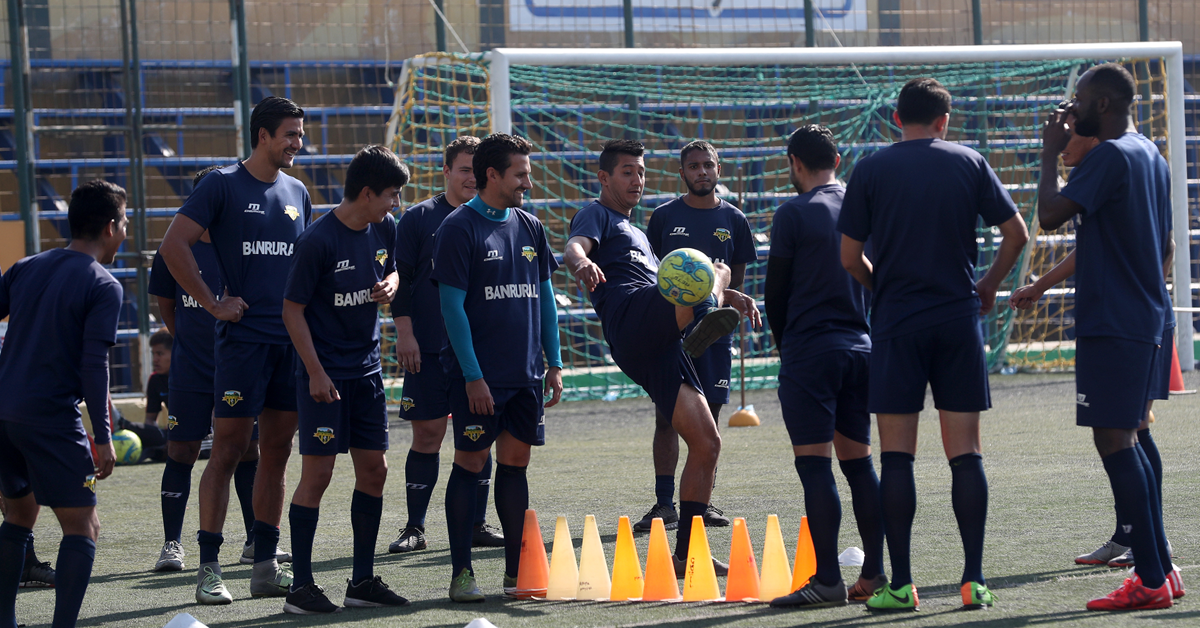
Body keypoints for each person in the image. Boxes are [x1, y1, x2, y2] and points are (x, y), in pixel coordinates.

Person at [838, 77, 1029, 611]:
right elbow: (1018, 233)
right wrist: (988, 285)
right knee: (965, 452)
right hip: (957, 319)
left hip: (898, 323)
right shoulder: (968, 160)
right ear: (944, 121)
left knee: (897, 455)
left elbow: (850, 259)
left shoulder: (871, 168)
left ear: (897, 119)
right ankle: (972, 581)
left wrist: (886, 290)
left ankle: (901, 585)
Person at [564, 139, 759, 578]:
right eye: (627, 172)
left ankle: (686, 554)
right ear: (604, 178)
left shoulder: (640, 236)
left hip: (661, 343)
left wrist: (733, 297)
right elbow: (574, 247)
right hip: (632, 316)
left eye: (641, 172)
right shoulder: (597, 214)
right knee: (715, 266)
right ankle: (707, 312)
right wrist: (581, 264)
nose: (636, 180)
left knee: (708, 444)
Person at [1037, 63, 1182, 610]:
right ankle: (1161, 570)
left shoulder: (1111, 154)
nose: (1069, 113)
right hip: (1147, 317)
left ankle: (1149, 578)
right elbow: (1165, 248)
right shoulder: (1150, 153)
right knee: (1137, 436)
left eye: (1076, 102)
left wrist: (1050, 151)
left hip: (1114, 322)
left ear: (1100, 105)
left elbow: (1049, 215)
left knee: (1115, 441)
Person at [159, 96, 312, 603]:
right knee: (226, 450)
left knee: (277, 453)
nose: (298, 142)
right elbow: (173, 245)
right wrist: (211, 303)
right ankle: (208, 568)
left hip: (287, 344)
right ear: (263, 135)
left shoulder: (298, 191)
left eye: (301, 133)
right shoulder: (221, 184)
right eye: (290, 134)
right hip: (243, 343)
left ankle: (265, 565)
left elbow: (302, 271)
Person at [431, 133, 563, 602]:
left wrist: (555, 362)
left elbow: (545, 297)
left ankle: (514, 574)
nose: (528, 181)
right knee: (469, 463)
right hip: (479, 381)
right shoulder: (457, 228)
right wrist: (472, 375)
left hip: (525, 376)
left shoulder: (531, 226)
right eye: (520, 174)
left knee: (516, 465)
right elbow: (452, 308)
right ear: (493, 175)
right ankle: (462, 574)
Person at [280, 145, 411, 614]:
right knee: (318, 473)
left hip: (368, 371)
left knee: (375, 470)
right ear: (367, 192)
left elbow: (392, 269)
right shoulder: (318, 240)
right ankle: (301, 586)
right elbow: (291, 310)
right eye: (392, 195)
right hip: (325, 376)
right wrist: (314, 371)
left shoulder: (385, 227)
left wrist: (392, 284)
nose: (395, 204)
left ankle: (361, 582)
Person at [764, 125, 886, 608]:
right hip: (861, 348)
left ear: (795, 162)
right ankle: (875, 574)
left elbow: (776, 292)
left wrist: (784, 345)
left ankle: (829, 580)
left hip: (811, 351)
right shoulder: (864, 205)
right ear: (837, 157)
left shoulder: (793, 212)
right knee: (860, 465)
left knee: (815, 467)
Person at [0, 179, 127, 628]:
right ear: (110, 227)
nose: (126, 230)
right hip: (49, 417)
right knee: (82, 526)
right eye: (125, 221)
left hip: (3, 413)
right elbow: (95, 366)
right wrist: (103, 437)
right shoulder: (103, 284)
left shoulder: (25, 266)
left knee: (19, 514)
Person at [148, 165, 275, 573]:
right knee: (181, 450)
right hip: (191, 370)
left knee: (246, 449)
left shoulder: (239, 244)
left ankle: (255, 539)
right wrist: (190, 337)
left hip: (237, 366)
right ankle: (172, 544)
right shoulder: (173, 249)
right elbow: (167, 308)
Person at [389, 135, 505, 554]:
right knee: (428, 435)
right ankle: (415, 527)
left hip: (481, 353)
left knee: (479, 436)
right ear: (446, 172)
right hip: (430, 348)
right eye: (463, 170)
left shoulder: (499, 217)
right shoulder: (419, 218)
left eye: (478, 170)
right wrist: (405, 332)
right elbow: (401, 281)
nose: (471, 178)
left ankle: (477, 523)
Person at [640, 140, 756, 532]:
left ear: (718, 169)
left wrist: (733, 297)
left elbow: (734, 281)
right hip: (671, 334)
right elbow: (650, 276)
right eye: (694, 166)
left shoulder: (735, 220)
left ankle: (701, 503)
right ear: (682, 172)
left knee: (712, 420)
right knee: (665, 419)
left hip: (715, 336)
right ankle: (663, 504)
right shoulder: (662, 217)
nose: (702, 172)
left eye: (708, 165)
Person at [144, 329, 172, 428]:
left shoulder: (195, 376)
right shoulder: (155, 380)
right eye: (153, 354)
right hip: (174, 431)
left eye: (160, 354)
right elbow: (149, 420)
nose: (155, 359)